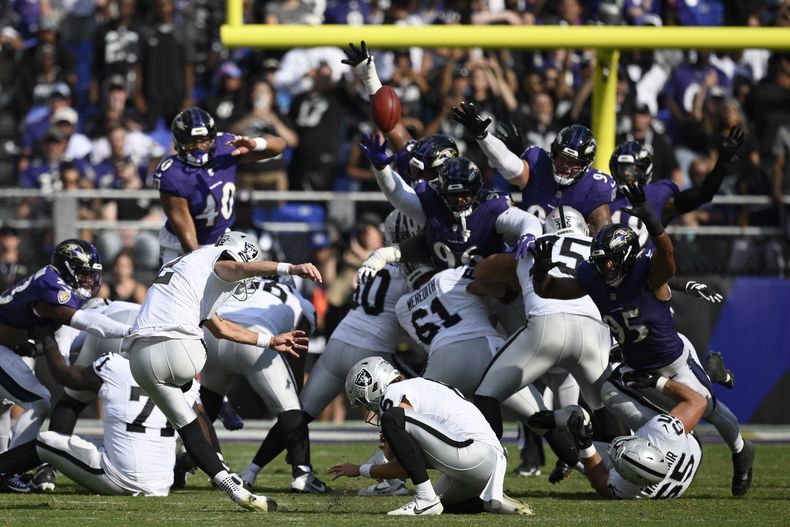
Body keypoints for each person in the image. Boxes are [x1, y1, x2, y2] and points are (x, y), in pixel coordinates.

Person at [532, 183, 755, 497]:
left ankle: (741, 451)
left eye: (611, 259)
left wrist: (651, 216)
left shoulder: (648, 274)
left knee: (709, 409)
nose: (605, 265)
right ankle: (651, 444)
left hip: (673, 363)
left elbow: (667, 254)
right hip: (635, 367)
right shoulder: (592, 277)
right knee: (608, 394)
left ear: (625, 256)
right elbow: (550, 290)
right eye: (601, 259)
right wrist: (540, 273)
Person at [125, 231, 321, 511]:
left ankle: (232, 487)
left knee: (190, 427)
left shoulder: (187, 268)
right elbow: (238, 268)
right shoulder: (216, 259)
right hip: (181, 349)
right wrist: (290, 267)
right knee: (192, 368)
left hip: (140, 359)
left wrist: (270, 340)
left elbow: (222, 327)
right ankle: (215, 401)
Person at [0, 325, 199, 497]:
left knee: (47, 441)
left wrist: (47, 338)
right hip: (161, 484)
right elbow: (199, 432)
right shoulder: (187, 384)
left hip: (118, 477)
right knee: (85, 441)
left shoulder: (116, 367)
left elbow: (63, 375)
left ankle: (4, 474)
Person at [470, 207, 611, 440]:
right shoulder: (598, 247)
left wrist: (517, 261)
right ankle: (622, 470)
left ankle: (488, 461)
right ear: (585, 229)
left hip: (546, 326)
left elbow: (482, 272)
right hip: (594, 333)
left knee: (486, 395)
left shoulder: (535, 244)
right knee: (606, 406)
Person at [328, 357, 532, 516]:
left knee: (393, 418)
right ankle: (491, 502)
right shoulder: (417, 387)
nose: (369, 410)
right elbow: (404, 465)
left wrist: (358, 470)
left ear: (374, 386)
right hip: (481, 466)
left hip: (473, 453)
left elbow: (399, 448)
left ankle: (425, 499)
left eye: (366, 402)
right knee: (444, 506)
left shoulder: (394, 391)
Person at [198, 277, 327, 494]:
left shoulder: (240, 286)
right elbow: (297, 353)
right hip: (256, 340)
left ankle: (177, 459)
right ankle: (302, 473)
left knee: (207, 402)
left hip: (214, 337)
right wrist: (291, 429)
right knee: (290, 408)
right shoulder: (298, 301)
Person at [529, 372, 707, 499]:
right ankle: (710, 378)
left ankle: (559, 422)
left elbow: (599, 480)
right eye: (624, 450)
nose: (616, 446)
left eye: (619, 460)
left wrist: (585, 446)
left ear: (626, 475)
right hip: (688, 444)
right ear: (645, 443)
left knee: (580, 447)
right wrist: (658, 382)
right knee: (612, 392)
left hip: (664, 459)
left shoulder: (628, 488)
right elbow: (698, 402)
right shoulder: (662, 432)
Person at [358, 150, 539, 271]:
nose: (459, 200)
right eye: (453, 195)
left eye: (464, 194)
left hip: (492, 286)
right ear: (442, 193)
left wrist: (529, 233)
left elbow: (527, 220)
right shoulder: (433, 204)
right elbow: (399, 195)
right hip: (447, 286)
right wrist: (381, 170)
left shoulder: (491, 206)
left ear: (476, 192)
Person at [154, 106, 286, 264]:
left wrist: (255, 143)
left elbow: (279, 146)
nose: (198, 146)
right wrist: (201, 266)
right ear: (179, 141)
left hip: (220, 239)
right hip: (178, 246)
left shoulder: (224, 147)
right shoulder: (173, 173)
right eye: (191, 141)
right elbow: (188, 238)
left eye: (203, 139)